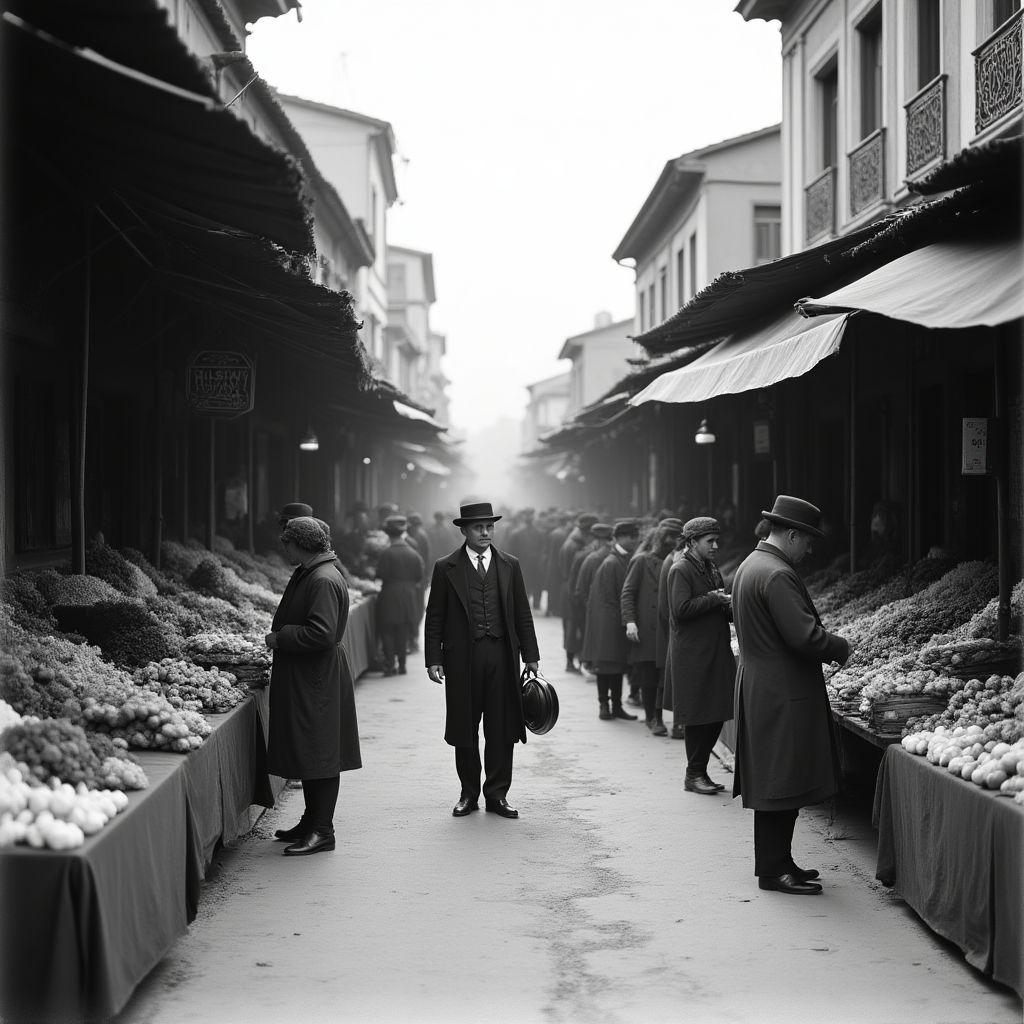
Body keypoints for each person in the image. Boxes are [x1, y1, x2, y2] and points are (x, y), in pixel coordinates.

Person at [731, 495, 853, 896]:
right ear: (792, 535)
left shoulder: (753, 564)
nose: (812, 549)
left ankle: (780, 862)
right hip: (780, 692)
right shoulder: (777, 573)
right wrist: (841, 647)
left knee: (777, 779)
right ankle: (772, 869)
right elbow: (804, 636)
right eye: (809, 540)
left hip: (764, 686)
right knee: (779, 782)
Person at [424, 500, 540, 819]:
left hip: (502, 656)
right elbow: (435, 616)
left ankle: (497, 794)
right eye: (479, 527)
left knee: (501, 728)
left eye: (490, 527)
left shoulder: (509, 564)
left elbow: (522, 613)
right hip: (463, 659)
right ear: (464, 530)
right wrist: (433, 657)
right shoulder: (445, 567)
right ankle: (468, 793)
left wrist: (531, 655)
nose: (486, 532)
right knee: (465, 727)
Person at [264, 516, 362, 856]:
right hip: (310, 675)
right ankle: (311, 821)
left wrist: (279, 638)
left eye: (287, 543)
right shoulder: (314, 570)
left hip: (316, 678)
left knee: (321, 752)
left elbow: (321, 633)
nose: (283, 548)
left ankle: (323, 830)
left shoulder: (321, 578)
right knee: (311, 750)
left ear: (301, 544)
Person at [664, 517, 736, 794]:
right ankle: (693, 774)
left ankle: (701, 772)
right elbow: (680, 609)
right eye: (710, 541)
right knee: (697, 715)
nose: (716, 546)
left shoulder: (710, 567)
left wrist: (732, 605)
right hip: (692, 654)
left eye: (716, 540)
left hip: (714, 650)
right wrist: (715, 599)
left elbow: (717, 602)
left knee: (716, 710)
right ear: (692, 542)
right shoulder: (680, 569)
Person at [622, 517, 684, 736]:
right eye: (670, 537)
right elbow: (628, 592)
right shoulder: (641, 561)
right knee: (648, 675)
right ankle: (652, 718)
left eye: (677, 537)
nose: (673, 541)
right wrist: (630, 621)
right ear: (660, 537)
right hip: (646, 628)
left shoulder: (678, 560)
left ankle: (670, 720)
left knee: (664, 677)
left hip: (666, 628)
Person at [582, 520, 642, 720]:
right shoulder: (612, 562)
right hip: (608, 625)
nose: (635, 540)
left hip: (614, 622)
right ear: (621, 538)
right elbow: (610, 598)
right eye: (632, 537)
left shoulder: (621, 559)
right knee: (606, 667)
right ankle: (604, 705)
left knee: (617, 667)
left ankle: (615, 705)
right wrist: (626, 619)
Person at [375, 515, 424, 676]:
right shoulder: (414, 553)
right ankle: (402, 665)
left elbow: (380, 574)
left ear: (388, 535)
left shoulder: (387, 553)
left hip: (390, 594)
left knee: (388, 629)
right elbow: (419, 576)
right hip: (409, 596)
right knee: (402, 631)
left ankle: (390, 665)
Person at [558, 512, 598, 672]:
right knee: (573, 628)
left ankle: (575, 660)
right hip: (572, 591)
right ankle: (571, 661)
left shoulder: (572, 542)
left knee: (572, 627)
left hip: (569, 589)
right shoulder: (575, 546)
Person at [572, 523, 613, 666]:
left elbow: (579, 588)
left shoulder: (592, 557)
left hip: (595, 608)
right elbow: (580, 588)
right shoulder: (593, 558)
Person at [506, 508, 545, 611]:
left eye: (531, 515)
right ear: (523, 517)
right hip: (522, 563)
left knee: (537, 584)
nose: (529, 517)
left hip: (536, 564)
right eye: (527, 515)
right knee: (524, 584)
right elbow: (511, 550)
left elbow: (543, 548)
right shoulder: (516, 534)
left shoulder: (540, 533)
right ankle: (524, 603)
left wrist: (540, 558)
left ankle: (536, 603)